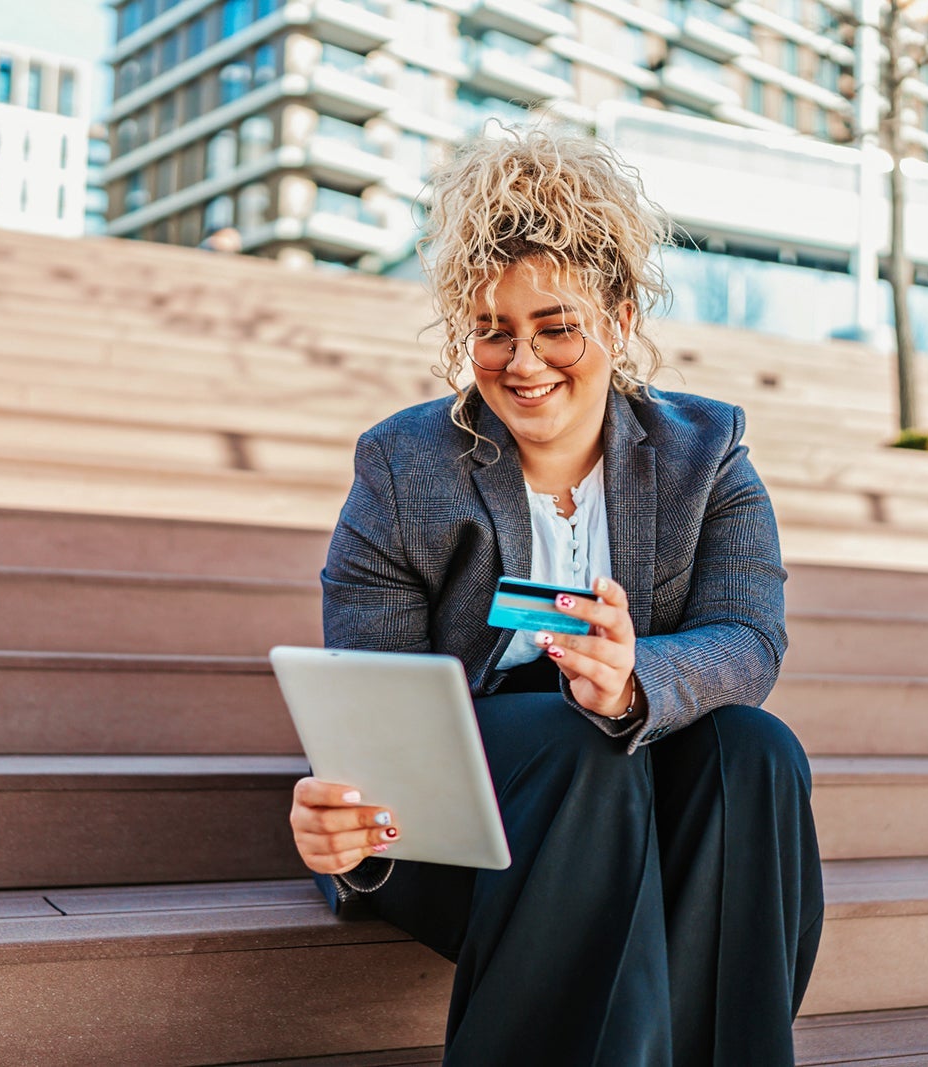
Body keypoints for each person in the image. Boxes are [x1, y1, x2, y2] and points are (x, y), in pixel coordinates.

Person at [288, 125, 823, 1066]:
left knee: (757, 750)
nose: (523, 363)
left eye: (556, 326)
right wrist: (356, 832)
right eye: (493, 330)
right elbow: (374, 704)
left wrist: (631, 683)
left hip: (642, 798)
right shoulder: (405, 464)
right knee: (581, 752)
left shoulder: (707, 454)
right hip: (486, 822)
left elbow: (748, 637)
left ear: (618, 321)